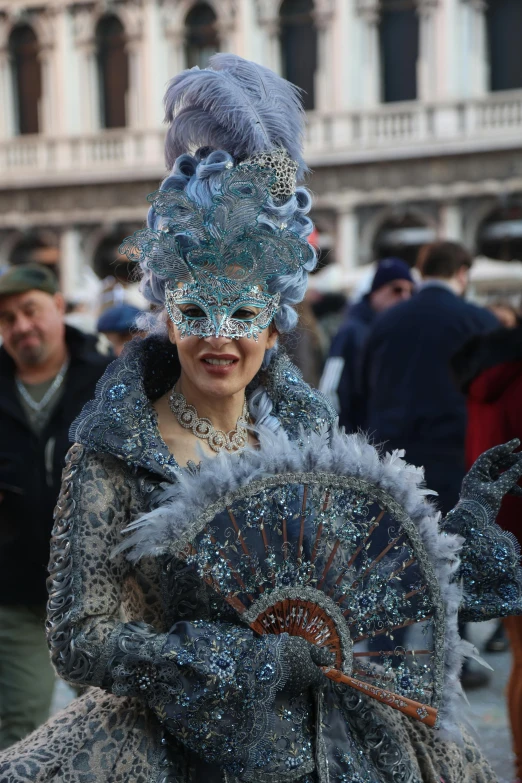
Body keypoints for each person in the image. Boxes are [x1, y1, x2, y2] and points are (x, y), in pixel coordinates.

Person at [1, 55, 521, 783]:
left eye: (243, 312)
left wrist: (455, 550)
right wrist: (236, 660)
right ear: (165, 317)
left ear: (275, 326)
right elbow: (80, 636)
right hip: (175, 751)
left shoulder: (308, 432)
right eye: (194, 311)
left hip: (323, 744)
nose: (219, 336)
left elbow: (364, 588)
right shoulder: (117, 446)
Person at [0, 263, 112, 749]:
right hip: (15, 591)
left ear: (59, 307)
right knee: (19, 729)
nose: (21, 326)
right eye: (7, 318)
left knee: (120, 723)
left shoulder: (107, 379)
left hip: (101, 590)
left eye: (30, 310)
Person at [360, 241, 499, 515]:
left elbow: (362, 389)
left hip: (392, 460)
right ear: (462, 273)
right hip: (458, 459)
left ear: (421, 272)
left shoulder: (386, 321)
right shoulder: (481, 322)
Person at [452, 324, 522, 780]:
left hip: (497, 525)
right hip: (511, 529)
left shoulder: (485, 373)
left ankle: (519, 762)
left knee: (520, 655)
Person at [319, 258, 414, 430]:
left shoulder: (401, 332)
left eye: (410, 291)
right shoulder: (351, 331)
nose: (405, 297)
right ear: (376, 291)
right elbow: (330, 390)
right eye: (397, 289)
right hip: (357, 441)